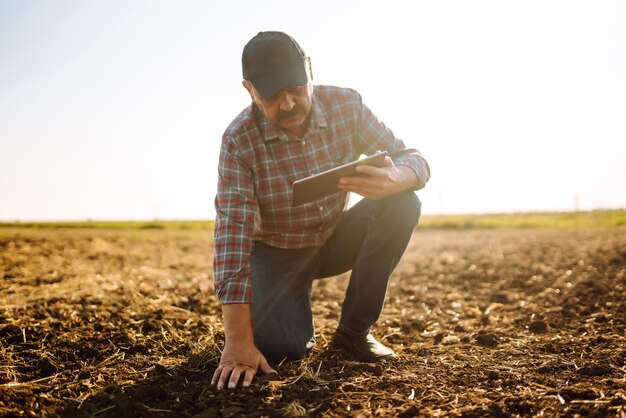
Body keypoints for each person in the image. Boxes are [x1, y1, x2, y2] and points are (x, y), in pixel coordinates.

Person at [210, 31, 430, 390]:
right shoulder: (238, 141)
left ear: (310, 69)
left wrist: (399, 177)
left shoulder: (348, 107)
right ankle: (286, 300)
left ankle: (354, 332)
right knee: (283, 349)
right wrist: (236, 342)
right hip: (275, 253)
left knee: (404, 202)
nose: (289, 105)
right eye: (271, 95)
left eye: (296, 88)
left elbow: (413, 157)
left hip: (334, 239)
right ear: (249, 89)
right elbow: (231, 234)